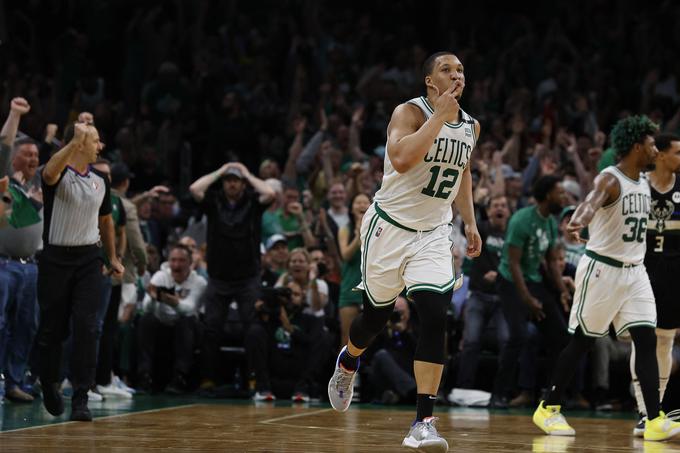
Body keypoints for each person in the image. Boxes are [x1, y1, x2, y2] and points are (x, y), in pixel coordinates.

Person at [327, 51, 482, 452]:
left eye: (460, 69)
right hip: (389, 229)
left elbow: (462, 172)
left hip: (432, 232)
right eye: (447, 69)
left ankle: (423, 422)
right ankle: (348, 360)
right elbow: (400, 157)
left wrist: (470, 221)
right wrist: (438, 117)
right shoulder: (410, 113)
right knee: (375, 318)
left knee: (434, 314)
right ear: (430, 81)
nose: (456, 74)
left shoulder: (471, 126)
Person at [533, 115, 680, 441]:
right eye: (653, 144)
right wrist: (578, 219)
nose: (657, 149)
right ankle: (548, 407)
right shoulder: (609, 179)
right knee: (583, 341)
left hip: (635, 271)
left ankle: (653, 419)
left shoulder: (643, 180)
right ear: (638, 145)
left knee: (646, 339)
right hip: (603, 270)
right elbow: (590, 203)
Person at [35, 122, 124, 422]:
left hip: (88, 260)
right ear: (81, 144)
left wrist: (112, 257)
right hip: (56, 259)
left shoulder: (101, 180)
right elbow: (47, 173)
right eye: (95, 141)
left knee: (87, 327)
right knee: (52, 330)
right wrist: (73, 141)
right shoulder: (58, 174)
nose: (100, 146)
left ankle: (81, 397)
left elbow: (107, 221)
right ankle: (48, 381)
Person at [188, 161, 275, 390]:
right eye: (229, 181)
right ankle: (208, 379)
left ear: (243, 184)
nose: (232, 184)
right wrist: (220, 170)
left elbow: (270, 192)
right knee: (211, 328)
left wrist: (246, 172)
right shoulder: (214, 202)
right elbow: (195, 189)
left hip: (248, 278)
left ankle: (256, 379)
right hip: (218, 277)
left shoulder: (253, 203)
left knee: (254, 328)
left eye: (236, 181)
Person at [491, 176, 570, 408]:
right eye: (560, 193)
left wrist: (562, 290)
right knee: (518, 336)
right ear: (547, 196)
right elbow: (513, 263)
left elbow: (552, 261)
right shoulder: (521, 220)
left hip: (533, 280)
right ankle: (500, 393)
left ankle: (551, 394)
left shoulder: (551, 222)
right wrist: (527, 299)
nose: (563, 197)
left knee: (560, 337)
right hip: (510, 282)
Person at [631, 133, 680, 435]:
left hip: (675, 270)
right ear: (660, 155)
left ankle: (657, 409)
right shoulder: (638, 184)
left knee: (665, 340)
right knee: (644, 340)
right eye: (677, 152)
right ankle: (643, 410)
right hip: (642, 268)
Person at [455, 195, 510, 391]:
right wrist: (475, 205)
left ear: (508, 212)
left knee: (507, 341)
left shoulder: (512, 233)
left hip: (503, 298)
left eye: (503, 205)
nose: (500, 208)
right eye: (496, 205)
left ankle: (501, 393)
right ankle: (464, 388)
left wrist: (501, 275)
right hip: (478, 295)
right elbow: (465, 228)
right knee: (470, 341)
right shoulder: (483, 229)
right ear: (488, 212)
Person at [137, 244, 206, 394]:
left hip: (188, 329)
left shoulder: (199, 282)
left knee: (186, 321)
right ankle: (144, 376)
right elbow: (146, 307)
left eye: (181, 261)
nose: (176, 265)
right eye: (173, 260)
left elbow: (190, 307)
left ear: (189, 263)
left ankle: (179, 377)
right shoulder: (161, 276)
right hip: (163, 326)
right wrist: (154, 299)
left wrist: (174, 302)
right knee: (146, 319)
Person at [337, 192, 371, 346]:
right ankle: (344, 371)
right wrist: (358, 234)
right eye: (358, 202)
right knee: (347, 340)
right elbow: (345, 255)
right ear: (351, 208)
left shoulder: (379, 230)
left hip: (371, 292)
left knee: (368, 341)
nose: (362, 205)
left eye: (365, 202)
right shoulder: (345, 229)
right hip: (350, 291)